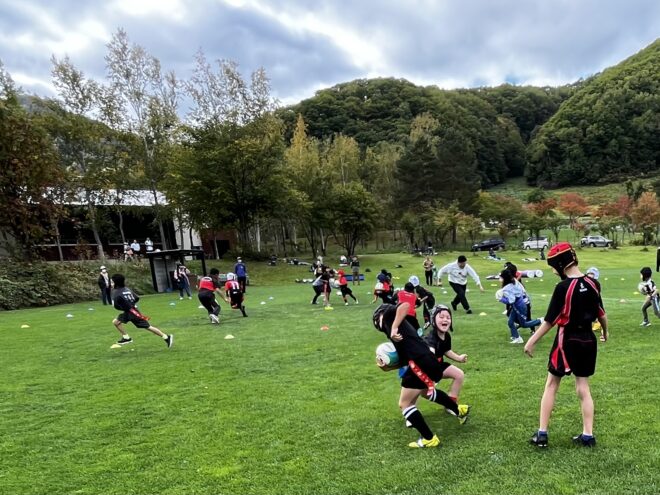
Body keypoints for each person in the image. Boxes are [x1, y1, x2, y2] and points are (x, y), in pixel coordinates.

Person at [524, 242, 608, 448]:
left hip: (567, 339)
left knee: (552, 384)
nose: (554, 272)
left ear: (561, 264)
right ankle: (588, 436)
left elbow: (549, 321)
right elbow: (601, 313)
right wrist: (605, 332)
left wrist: (531, 341)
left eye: (554, 267)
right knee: (583, 387)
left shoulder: (562, 288)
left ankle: (542, 434)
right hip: (588, 339)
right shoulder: (593, 283)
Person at [373, 302, 470, 448]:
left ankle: (429, 439)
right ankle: (459, 409)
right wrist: (386, 368)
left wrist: (393, 328)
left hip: (420, 363)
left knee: (405, 404)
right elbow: (404, 360)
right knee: (425, 392)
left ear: (377, 320)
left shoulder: (388, 316)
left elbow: (405, 305)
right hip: (426, 362)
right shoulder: (400, 330)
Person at [110, 273, 173, 348]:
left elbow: (116, 306)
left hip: (132, 313)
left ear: (116, 283)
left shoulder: (116, 293)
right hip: (130, 311)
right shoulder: (127, 289)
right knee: (116, 322)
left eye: (112, 282)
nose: (111, 284)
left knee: (148, 327)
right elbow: (136, 298)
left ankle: (166, 337)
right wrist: (131, 304)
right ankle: (126, 338)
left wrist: (124, 307)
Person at [497, 269, 542, 344]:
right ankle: (517, 338)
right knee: (510, 322)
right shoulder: (514, 280)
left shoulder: (506, 288)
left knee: (523, 324)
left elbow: (511, 300)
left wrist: (501, 299)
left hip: (519, 307)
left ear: (505, 278)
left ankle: (540, 321)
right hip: (519, 304)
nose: (499, 279)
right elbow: (521, 290)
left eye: (501, 277)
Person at [585, 267, 606, 341]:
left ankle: (603, 332)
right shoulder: (583, 282)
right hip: (586, 302)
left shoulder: (596, 284)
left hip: (595, 302)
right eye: (589, 273)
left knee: (600, 315)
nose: (590, 275)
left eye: (592, 274)